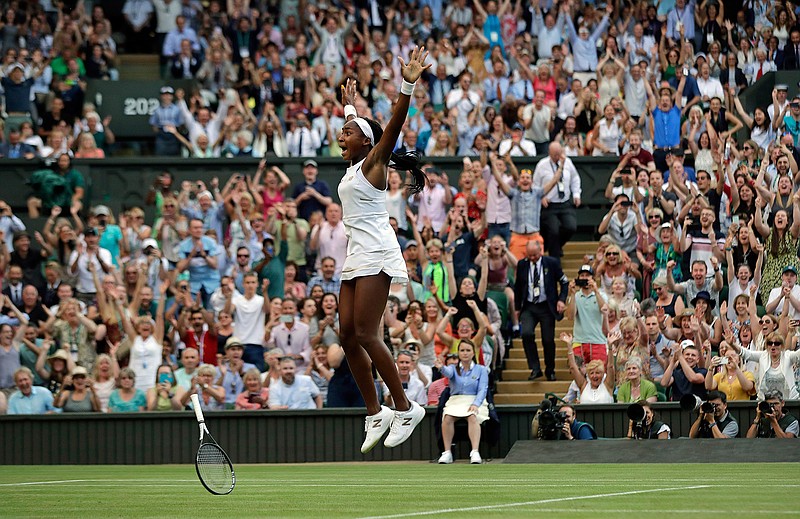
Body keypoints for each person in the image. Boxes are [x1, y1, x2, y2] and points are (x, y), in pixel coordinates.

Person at [335, 48, 430, 453]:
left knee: (366, 332)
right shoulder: (355, 163)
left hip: (376, 252)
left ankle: (406, 407)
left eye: (348, 133)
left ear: (368, 143)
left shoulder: (375, 162)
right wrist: (350, 108)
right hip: (357, 252)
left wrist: (407, 84)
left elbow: (391, 125)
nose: (342, 135)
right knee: (345, 335)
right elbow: (360, 129)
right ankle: (376, 413)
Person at [514, 240, 568, 380]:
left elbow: (564, 281)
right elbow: (518, 287)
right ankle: (535, 368)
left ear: (541, 251)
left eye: (534, 255)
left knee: (548, 340)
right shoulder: (522, 265)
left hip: (546, 306)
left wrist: (561, 300)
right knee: (526, 334)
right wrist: (517, 308)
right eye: (529, 255)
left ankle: (550, 369)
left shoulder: (552, 262)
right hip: (529, 306)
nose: (532, 258)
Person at [435, 339, 489, 465]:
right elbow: (447, 372)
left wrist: (476, 404)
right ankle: (447, 452)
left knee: (472, 416)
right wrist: (441, 367)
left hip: (474, 400)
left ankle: (475, 452)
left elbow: (483, 389)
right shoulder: (453, 368)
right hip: (456, 400)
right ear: (458, 353)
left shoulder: (481, 369)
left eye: (468, 350)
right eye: (462, 350)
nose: (465, 353)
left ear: (473, 353)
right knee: (447, 418)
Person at [533, 142, 580, 259]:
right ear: (549, 153)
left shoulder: (568, 162)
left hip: (565, 202)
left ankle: (557, 246)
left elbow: (575, 178)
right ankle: (555, 259)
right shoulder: (542, 165)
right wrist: (541, 197)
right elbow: (535, 184)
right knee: (553, 231)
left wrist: (576, 194)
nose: (558, 157)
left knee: (571, 227)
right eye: (555, 155)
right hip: (549, 204)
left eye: (559, 154)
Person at [565, 264, 607, 364]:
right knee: (579, 372)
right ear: (578, 278)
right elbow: (570, 316)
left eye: (587, 275)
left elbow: (604, 310)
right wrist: (572, 294)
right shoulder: (575, 296)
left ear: (592, 278)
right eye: (582, 275)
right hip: (579, 342)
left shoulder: (601, 294)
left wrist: (596, 291)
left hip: (598, 341)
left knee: (598, 374)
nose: (584, 278)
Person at [562, 332, 615, 404]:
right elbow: (573, 368)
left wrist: (610, 347)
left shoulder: (608, 385)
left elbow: (610, 366)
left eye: (597, 373)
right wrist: (569, 346)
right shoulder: (583, 385)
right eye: (591, 373)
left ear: (603, 374)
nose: (594, 376)